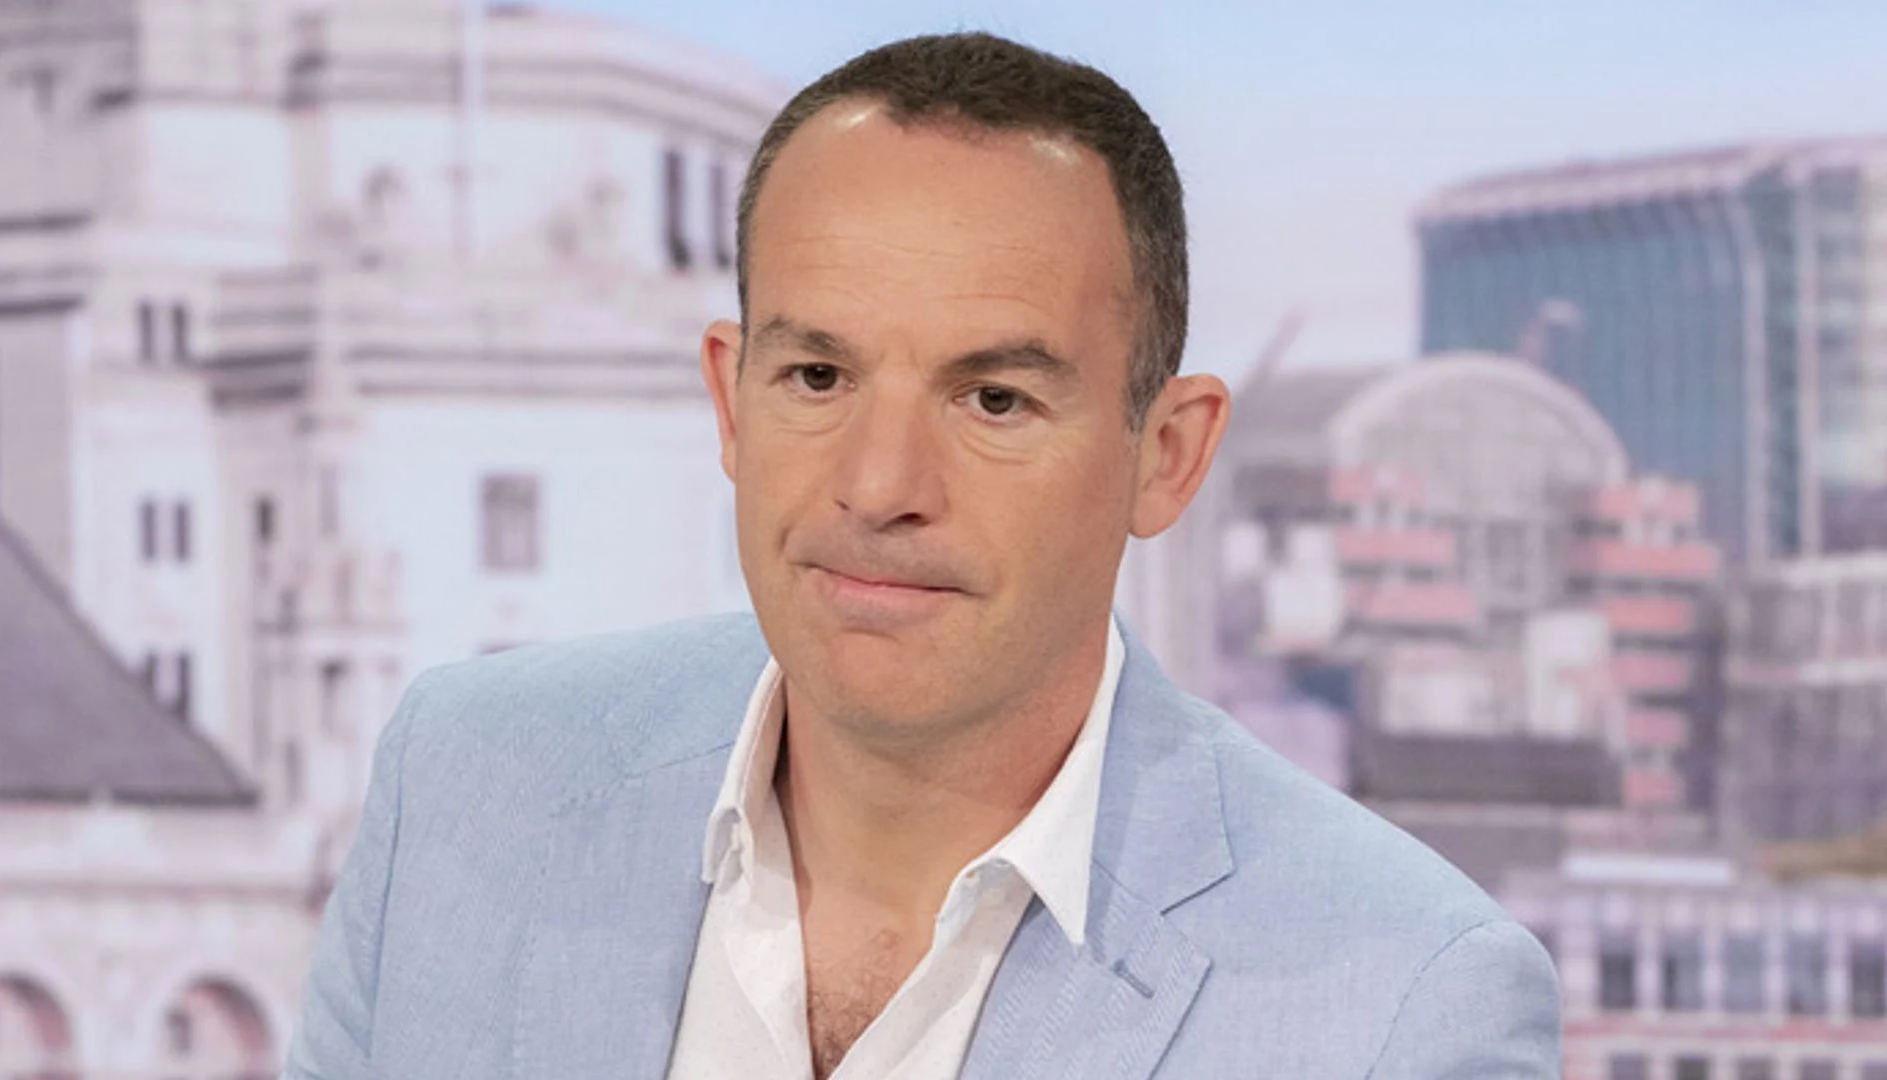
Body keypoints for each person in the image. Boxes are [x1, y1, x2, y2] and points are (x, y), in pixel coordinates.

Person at [285, 31, 1561, 1080]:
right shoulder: (462, 786)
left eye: (993, 400)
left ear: (1166, 455)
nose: (880, 486)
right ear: (732, 405)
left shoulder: (1406, 1006)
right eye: (819, 374)